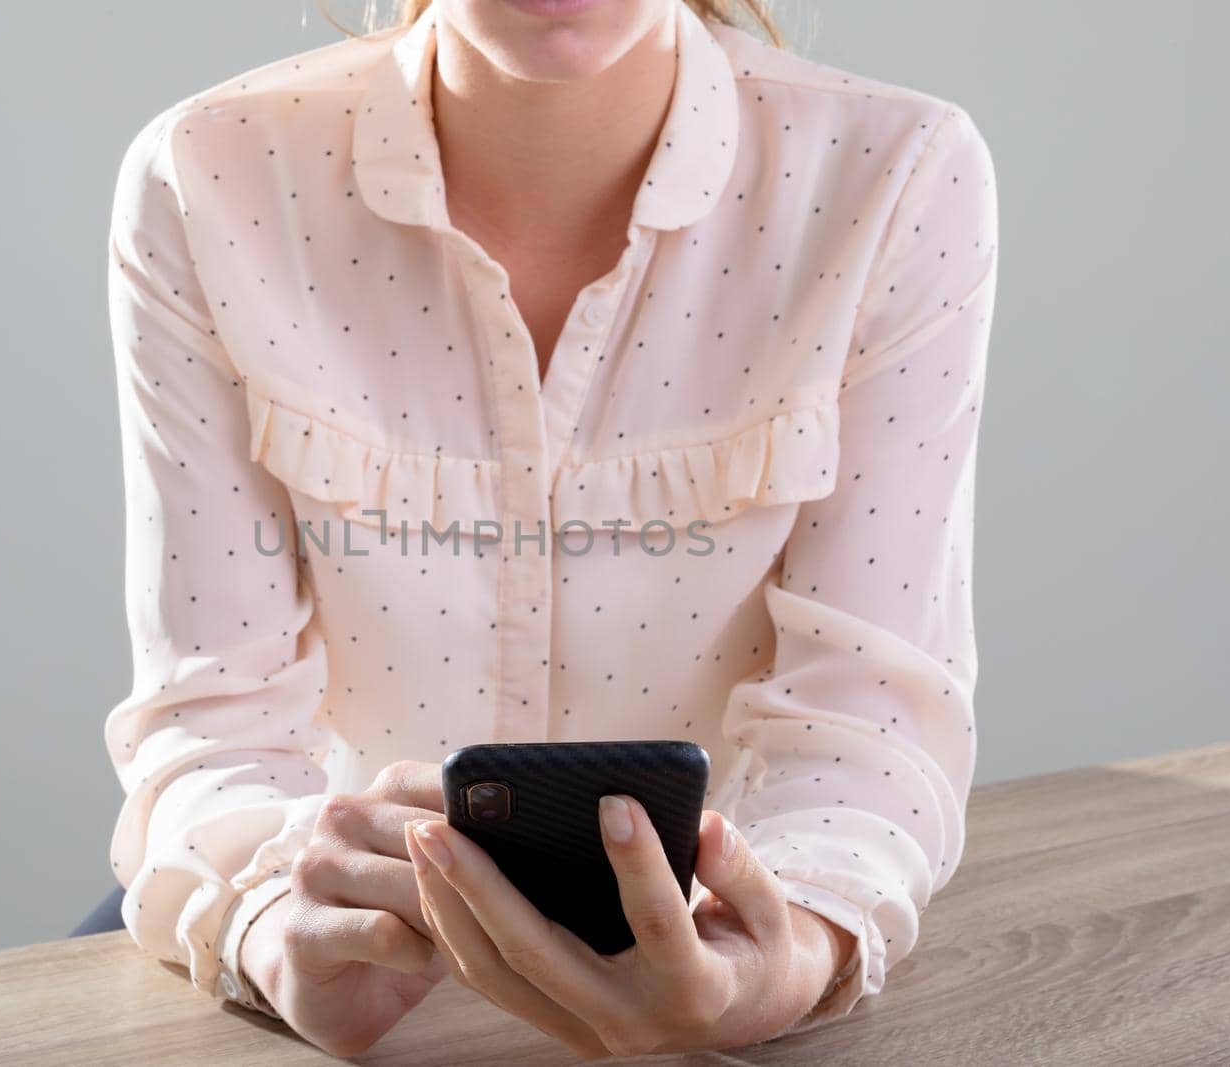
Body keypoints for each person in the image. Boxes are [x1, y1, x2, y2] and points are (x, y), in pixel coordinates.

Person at [95, 0, 998, 1057]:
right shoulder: (210, 173)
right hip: (359, 947)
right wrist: (265, 924)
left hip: (722, 935)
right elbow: (216, 716)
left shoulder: (891, 173)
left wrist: (779, 955)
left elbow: (870, 714)